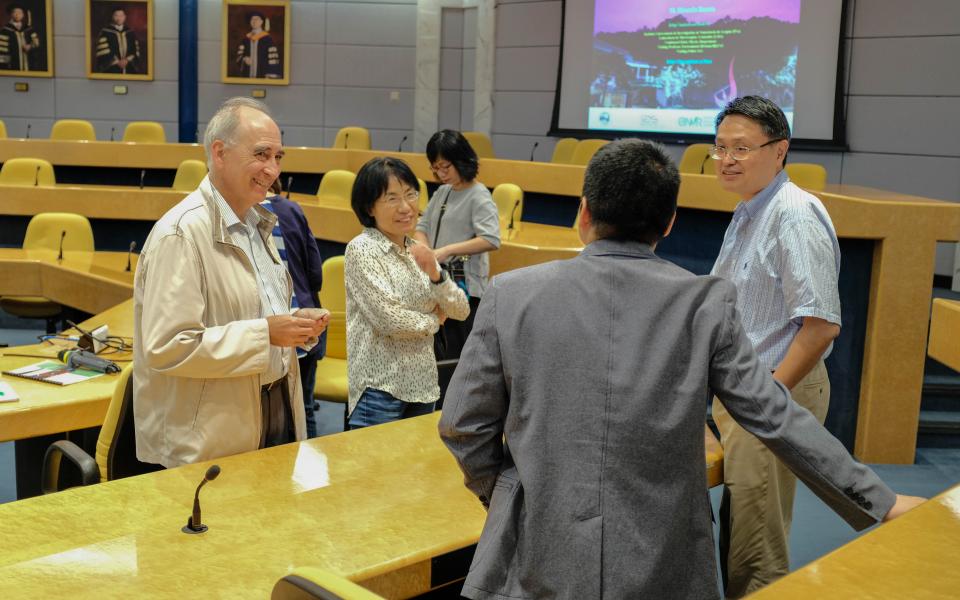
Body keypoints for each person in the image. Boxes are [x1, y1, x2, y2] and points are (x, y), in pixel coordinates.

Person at [438, 139, 924, 600]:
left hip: (538, 546)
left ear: (583, 212)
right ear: (669, 222)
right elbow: (774, 414)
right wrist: (877, 500)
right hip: (661, 554)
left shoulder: (512, 294)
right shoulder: (706, 302)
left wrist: (507, 492)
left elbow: (462, 424)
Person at [133, 97, 328, 468]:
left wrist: (295, 324)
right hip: (210, 436)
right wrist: (267, 333)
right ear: (219, 152)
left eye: (278, 157)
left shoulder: (258, 226)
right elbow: (168, 346)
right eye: (260, 154)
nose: (272, 169)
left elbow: (256, 312)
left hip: (273, 410)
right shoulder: (182, 234)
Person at [709, 95, 842, 597]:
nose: (726, 160)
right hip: (743, 391)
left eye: (741, 148)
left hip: (773, 392)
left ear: (779, 150)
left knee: (757, 551)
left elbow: (822, 326)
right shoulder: (749, 210)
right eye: (720, 148)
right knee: (740, 529)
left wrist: (766, 398)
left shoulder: (794, 215)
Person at [345, 157, 469, 429]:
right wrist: (434, 320)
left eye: (411, 194)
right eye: (392, 198)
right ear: (369, 207)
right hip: (379, 388)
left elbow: (461, 309)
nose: (406, 207)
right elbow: (390, 320)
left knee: (413, 471)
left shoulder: (418, 250)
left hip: (423, 383)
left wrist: (436, 276)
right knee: (375, 471)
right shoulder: (362, 250)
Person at [413, 130, 500, 359]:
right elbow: (422, 227)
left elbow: (491, 239)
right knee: (438, 351)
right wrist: (426, 252)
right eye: (435, 168)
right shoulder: (443, 192)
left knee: (457, 355)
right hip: (439, 282)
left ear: (462, 160)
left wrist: (445, 251)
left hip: (465, 286)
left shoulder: (478, 195)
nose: (440, 173)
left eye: (445, 167)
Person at [262, 179, 327, 438]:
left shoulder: (237, 214)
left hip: (268, 330)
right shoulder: (291, 210)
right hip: (304, 323)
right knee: (305, 408)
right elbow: (315, 273)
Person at [94, 7, 140, 74]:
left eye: (121, 16)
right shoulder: (106, 32)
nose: (119, 18)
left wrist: (127, 60)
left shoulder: (130, 32)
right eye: (116, 15)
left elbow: (135, 50)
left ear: (125, 17)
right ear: (113, 17)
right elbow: (103, 51)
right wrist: (116, 62)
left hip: (128, 67)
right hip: (112, 67)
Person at [235, 11, 281, 79]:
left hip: (263, 75)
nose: (254, 21)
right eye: (252, 19)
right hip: (247, 75)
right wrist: (244, 59)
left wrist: (270, 76)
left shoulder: (268, 39)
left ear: (261, 22)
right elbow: (239, 57)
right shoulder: (245, 39)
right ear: (250, 22)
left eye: (257, 19)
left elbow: (273, 59)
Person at [0, 4, 40, 72]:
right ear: (11, 14)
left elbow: (36, 42)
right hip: (12, 65)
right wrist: (5, 67)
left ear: (23, 15)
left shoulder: (29, 29)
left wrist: (30, 46)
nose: (17, 14)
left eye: (20, 13)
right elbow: (2, 50)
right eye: (15, 12)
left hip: (29, 64)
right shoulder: (5, 31)